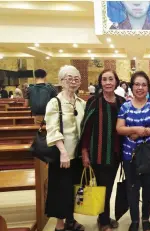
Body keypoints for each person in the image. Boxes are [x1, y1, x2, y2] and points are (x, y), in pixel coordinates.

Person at [116, 71, 150, 231]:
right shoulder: (125, 106)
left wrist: (143, 132)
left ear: (148, 87)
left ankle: (145, 218)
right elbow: (119, 128)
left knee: (148, 187)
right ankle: (135, 219)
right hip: (129, 155)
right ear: (131, 86)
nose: (140, 87)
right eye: (137, 84)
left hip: (148, 155)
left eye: (143, 84)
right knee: (132, 188)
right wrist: (135, 129)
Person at [79, 69, 125, 231]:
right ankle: (103, 220)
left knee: (109, 186)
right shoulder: (94, 101)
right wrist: (84, 152)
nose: (107, 82)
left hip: (115, 153)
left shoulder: (122, 101)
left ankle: (103, 216)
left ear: (116, 82)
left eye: (111, 79)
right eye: (104, 79)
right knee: (102, 187)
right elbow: (86, 129)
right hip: (97, 152)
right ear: (100, 82)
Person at [45, 65, 86, 231]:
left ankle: (71, 219)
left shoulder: (81, 102)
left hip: (77, 155)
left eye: (76, 78)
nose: (73, 81)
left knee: (75, 188)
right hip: (62, 154)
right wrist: (63, 152)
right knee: (60, 189)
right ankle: (59, 225)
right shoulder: (55, 102)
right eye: (69, 78)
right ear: (61, 81)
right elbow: (52, 128)